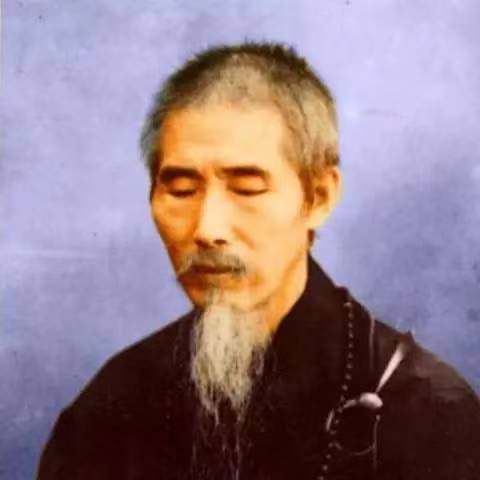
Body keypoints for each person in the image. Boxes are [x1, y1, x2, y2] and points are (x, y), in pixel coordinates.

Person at [37, 42, 480, 480]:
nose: (207, 228)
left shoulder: (426, 412)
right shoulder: (111, 408)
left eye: (246, 189)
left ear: (319, 197)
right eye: (182, 190)